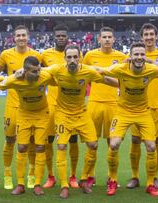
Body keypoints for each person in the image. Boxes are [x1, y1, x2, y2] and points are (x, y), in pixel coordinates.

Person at [0, 56, 55, 196]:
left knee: (40, 147)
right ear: (25, 71)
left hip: (42, 114)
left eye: (38, 70)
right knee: (22, 147)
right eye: (33, 71)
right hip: (24, 114)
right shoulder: (15, 80)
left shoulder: (45, 76)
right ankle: (20, 184)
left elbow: (61, 75)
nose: (37, 74)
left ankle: (37, 184)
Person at [45, 45, 118, 199]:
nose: (72, 60)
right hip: (63, 114)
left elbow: (105, 79)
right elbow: (38, 72)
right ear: (64, 58)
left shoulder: (88, 71)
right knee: (62, 145)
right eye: (69, 57)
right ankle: (64, 185)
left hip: (81, 114)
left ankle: (84, 179)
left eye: (75, 57)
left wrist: (122, 84)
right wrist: (22, 73)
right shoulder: (57, 69)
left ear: (80, 58)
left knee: (93, 144)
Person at [96, 41, 158, 197]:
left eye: (142, 54)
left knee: (151, 146)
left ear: (145, 56)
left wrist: (152, 61)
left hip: (143, 113)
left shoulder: (151, 70)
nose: (139, 57)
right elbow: (101, 71)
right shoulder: (121, 69)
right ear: (130, 57)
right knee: (114, 144)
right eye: (136, 54)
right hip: (123, 112)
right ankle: (112, 180)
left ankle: (151, 184)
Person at [0, 25, 42, 190]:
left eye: (23, 35)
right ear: (13, 38)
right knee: (10, 140)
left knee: (30, 141)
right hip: (12, 105)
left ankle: (31, 174)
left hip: (29, 106)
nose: (21, 38)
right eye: (18, 35)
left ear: (28, 37)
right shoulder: (6, 55)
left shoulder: (36, 55)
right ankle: (7, 174)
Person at [127, 23, 158, 189]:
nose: (148, 37)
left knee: (157, 142)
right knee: (135, 140)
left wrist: (151, 61)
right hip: (138, 105)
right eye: (145, 35)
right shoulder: (134, 55)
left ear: (156, 36)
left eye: (151, 34)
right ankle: (134, 176)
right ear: (141, 37)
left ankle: (153, 177)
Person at [83, 26, 128, 187]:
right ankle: (90, 176)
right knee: (91, 142)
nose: (107, 39)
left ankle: (112, 178)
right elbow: (85, 79)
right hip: (94, 103)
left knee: (113, 143)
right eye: (104, 37)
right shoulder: (89, 56)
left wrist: (104, 78)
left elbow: (123, 83)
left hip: (114, 105)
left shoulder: (122, 57)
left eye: (110, 37)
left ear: (114, 39)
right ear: (99, 39)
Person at [41, 24, 81, 189]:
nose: (60, 38)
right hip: (51, 105)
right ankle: (51, 176)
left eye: (63, 35)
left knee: (72, 141)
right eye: (58, 36)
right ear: (54, 37)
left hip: (71, 106)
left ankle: (72, 176)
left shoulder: (75, 55)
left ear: (67, 37)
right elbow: (39, 73)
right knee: (49, 141)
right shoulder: (45, 55)